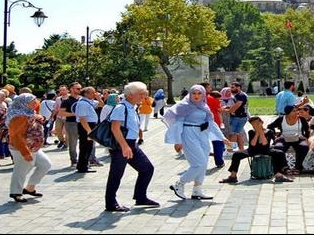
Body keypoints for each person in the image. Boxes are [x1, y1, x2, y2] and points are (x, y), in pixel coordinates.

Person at [166, 84, 230, 200]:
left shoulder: (204, 106)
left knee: (204, 163)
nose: (196, 96)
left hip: (202, 134)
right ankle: (179, 184)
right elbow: (178, 124)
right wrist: (178, 140)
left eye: (199, 93)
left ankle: (197, 190)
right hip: (189, 133)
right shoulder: (184, 106)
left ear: (203, 94)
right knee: (199, 163)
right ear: (190, 94)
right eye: (194, 93)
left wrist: (222, 137)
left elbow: (211, 123)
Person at [105, 81, 158, 212]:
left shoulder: (132, 107)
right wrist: (124, 146)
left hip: (131, 144)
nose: (144, 96)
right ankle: (110, 203)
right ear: (130, 95)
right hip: (121, 144)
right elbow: (115, 128)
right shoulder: (121, 107)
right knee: (116, 174)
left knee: (147, 168)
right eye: (141, 93)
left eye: (144, 93)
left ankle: (140, 197)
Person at [218, 116, 293, 183]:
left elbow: (264, 143)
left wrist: (260, 131)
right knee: (237, 154)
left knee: (279, 153)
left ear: (261, 122)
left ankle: (278, 175)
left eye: (257, 123)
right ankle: (233, 176)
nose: (255, 125)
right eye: (253, 124)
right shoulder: (251, 132)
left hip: (265, 150)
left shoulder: (269, 132)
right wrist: (257, 132)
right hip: (252, 150)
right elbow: (253, 144)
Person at [6, 93, 51, 203]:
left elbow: (34, 122)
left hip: (34, 147)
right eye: (33, 101)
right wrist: (25, 152)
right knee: (21, 170)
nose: (36, 103)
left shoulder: (29, 112)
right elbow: (16, 136)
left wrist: (40, 118)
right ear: (24, 103)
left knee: (45, 164)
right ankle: (16, 192)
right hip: (22, 148)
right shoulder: (18, 117)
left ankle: (29, 188)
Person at [267, 105, 310, 175]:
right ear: (288, 112)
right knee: (278, 147)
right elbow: (270, 126)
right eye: (294, 111)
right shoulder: (281, 119)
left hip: (298, 138)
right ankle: (285, 167)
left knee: (304, 147)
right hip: (283, 138)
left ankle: (298, 167)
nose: (297, 112)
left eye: (297, 110)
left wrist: (306, 137)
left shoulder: (301, 119)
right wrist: (274, 137)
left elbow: (307, 129)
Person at [74, 87, 99, 174]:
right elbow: (82, 118)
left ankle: (84, 164)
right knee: (85, 146)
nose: (94, 94)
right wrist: (89, 131)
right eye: (92, 93)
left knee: (88, 146)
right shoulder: (83, 104)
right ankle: (82, 166)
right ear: (86, 94)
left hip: (89, 125)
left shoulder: (87, 102)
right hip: (86, 126)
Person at [202, 82, 226, 168]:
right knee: (218, 142)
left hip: (199, 123)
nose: (210, 89)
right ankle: (219, 161)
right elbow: (219, 110)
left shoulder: (194, 99)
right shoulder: (211, 99)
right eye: (209, 87)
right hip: (213, 122)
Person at [226, 82, 249, 151]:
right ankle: (241, 149)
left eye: (233, 87)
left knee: (232, 134)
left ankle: (230, 150)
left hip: (239, 117)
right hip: (241, 117)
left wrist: (228, 111)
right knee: (238, 134)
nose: (231, 89)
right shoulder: (239, 95)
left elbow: (237, 105)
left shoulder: (240, 95)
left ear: (238, 87)